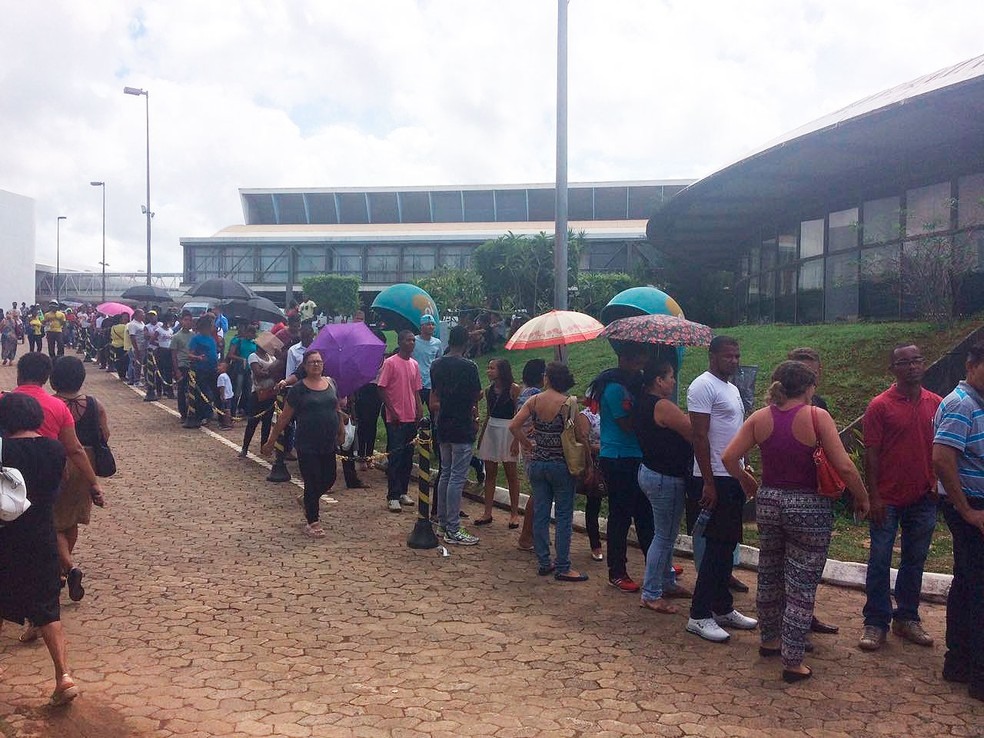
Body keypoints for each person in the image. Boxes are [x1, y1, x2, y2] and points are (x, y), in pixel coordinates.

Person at [722, 361, 869, 682]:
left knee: (770, 573)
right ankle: (793, 660)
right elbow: (844, 466)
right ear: (808, 387)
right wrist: (862, 496)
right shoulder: (817, 417)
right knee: (802, 584)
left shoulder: (760, 418)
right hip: (809, 507)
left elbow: (728, 457)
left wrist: (747, 480)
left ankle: (770, 641)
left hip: (770, 502)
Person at [859, 343, 942, 651]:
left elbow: (942, 448)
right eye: (904, 363)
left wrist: (937, 483)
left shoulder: (937, 403)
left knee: (914, 560)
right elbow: (871, 453)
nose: (912, 367)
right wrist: (874, 496)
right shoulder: (879, 405)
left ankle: (906, 617)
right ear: (892, 369)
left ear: (924, 363)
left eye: (917, 360)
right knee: (879, 560)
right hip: (888, 499)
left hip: (923, 496)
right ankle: (875, 622)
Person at [0, 393, 79, 705]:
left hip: (6, 535)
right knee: (48, 608)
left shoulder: (4, 447)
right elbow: (57, 487)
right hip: (42, 534)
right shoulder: (55, 448)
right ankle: (63, 676)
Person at [685, 335, 757, 643]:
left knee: (727, 546)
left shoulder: (731, 388)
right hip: (712, 476)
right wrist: (709, 483)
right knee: (715, 549)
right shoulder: (702, 386)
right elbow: (699, 437)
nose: (735, 361)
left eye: (738, 356)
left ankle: (722, 606)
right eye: (729, 356)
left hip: (731, 475)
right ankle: (699, 615)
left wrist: (744, 466)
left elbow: (737, 432)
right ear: (713, 356)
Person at [932, 342, 984, 702]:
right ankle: (979, 674)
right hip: (971, 505)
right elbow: (942, 459)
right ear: (971, 365)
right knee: (979, 587)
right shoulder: (960, 405)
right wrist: (966, 510)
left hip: (974, 504)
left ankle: (959, 660)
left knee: (968, 581)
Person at [510, 362, 591, 582]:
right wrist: (588, 462)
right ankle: (564, 565)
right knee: (564, 515)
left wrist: (528, 444)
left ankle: (544, 561)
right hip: (562, 465)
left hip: (538, 463)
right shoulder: (569, 403)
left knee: (541, 513)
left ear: (547, 378)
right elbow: (578, 434)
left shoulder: (534, 400)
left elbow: (514, 425)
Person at [588, 342, 652, 594]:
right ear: (623, 359)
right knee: (621, 515)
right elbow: (627, 424)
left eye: (642, 359)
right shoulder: (615, 389)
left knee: (645, 514)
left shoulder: (634, 386)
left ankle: (656, 563)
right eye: (636, 359)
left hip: (636, 456)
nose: (640, 364)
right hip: (618, 458)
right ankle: (617, 570)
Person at [262, 349, 344, 538]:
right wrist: (271, 441)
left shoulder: (330, 383)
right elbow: (284, 417)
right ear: (305, 366)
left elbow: (336, 408)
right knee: (312, 479)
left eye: (319, 362)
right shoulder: (299, 389)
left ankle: (308, 499)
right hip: (307, 443)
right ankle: (313, 521)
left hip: (328, 441)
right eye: (312, 362)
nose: (316, 365)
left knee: (329, 477)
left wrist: (341, 429)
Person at [786, 347, 839, 635]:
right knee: (789, 565)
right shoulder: (779, 406)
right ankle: (791, 624)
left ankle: (805, 615)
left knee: (811, 565)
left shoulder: (821, 405)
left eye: (811, 369)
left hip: (816, 489)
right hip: (792, 491)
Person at [634, 359, 694, 614]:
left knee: (666, 533)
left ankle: (666, 581)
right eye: (670, 376)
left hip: (650, 471)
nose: (673, 381)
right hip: (664, 476)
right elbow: (692, 432)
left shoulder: (642, 403)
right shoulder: (663, 406)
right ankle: (651, 593)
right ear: (658, 380)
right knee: (664, 536)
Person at [49, 356, 110, 603]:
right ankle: (64, 571)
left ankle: (68, 568)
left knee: (50, 521)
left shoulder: (50, 404)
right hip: (87, 465)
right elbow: (104, 435)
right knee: (72, 520)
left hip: (58, 463)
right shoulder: (95, 404)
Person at [429, 325, 482, 545]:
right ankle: (452, 527)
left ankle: (442, 521)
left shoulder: (436, 365)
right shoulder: (469, 366)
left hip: (443, 422)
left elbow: (435, 391)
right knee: (457, 476)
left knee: (446, 472)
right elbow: (477, 393)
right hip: (462, 423)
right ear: (466, 342)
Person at [377, 330, 423, 512]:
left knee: (407, 457)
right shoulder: (390, 363)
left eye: (413, 340)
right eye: (408, 340)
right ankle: (392, 495)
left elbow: (416, 390)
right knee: (395, 457)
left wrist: (419, 408)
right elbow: (381, 388)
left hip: (411, 416)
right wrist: (391, 410)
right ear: (400, 342)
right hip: (395, 417)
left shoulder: (414, 364)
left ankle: (403, 491)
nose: (411, 343)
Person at [474, 359, 522, 528]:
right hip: (492, 428)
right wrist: (482, 436)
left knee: (511, 473)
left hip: (508, 429)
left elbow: (519, 414)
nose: (489, 371)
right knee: (490, 472)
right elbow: (488, 413)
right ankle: (487, 511)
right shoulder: (489, 391)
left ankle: (514, 513)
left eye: (492, 368)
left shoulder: (514, 389)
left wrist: (517, 440)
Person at [238, 340, 279, 458]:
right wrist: (272, 372)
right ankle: (245, 447)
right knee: (252, 422)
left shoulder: (271, 357)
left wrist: (268, 372)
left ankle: (263, 447)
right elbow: (258, 373)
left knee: (267, 422)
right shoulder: (253, 356)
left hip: (270, 393)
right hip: (258, 393)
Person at [183, 315, 218, 429]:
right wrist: (198, 357)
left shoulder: (212, 339)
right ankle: (201, 415)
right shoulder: (196, 339)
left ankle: (208, 414)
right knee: (202, 393)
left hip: (212, 369)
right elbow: (189, 354)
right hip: (200, 370)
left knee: (211, 392)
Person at [413, 315, 443, 411]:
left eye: (432, 324)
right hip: (417, 382)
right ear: (421, 326)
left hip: (431, 382)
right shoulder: (414, 341)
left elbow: (439, 360)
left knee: (434, 411)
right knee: (416, 411)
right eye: (428, 324)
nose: (431, 327)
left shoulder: (437, 343)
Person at [170, 311, 195, 421]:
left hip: (192, 365)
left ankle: (192, 411)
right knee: (182, 390)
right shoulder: (176, 336)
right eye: (186, 320)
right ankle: (183, 413)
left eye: (190, 320)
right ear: (181, 321)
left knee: (192, 391)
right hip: (182, 365)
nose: (188, 322)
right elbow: (173, 355)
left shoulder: (193, 336)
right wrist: (176, 370)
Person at [125, 309, 146, 386]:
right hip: (137, 347)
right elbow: (132, 337)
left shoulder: (141, 323)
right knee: (137, 364)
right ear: (137, 315)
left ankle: (136, 379)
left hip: (143, 346)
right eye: (142, 313)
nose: (144, 315)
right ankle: (136, 380)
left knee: (140, 364)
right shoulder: (132, 324)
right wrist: (136, 349)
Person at [216, 361, 234, 430]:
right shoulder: (226, 376)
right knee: (228, 409)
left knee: (225, 410)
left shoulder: (221, 376)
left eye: (219, 366)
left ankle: (227, 424)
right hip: (229, 395)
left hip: (225, 396)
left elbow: (222, 387)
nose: (218, 367)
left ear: (224, 369)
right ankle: (228, 423)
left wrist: (222, 396)